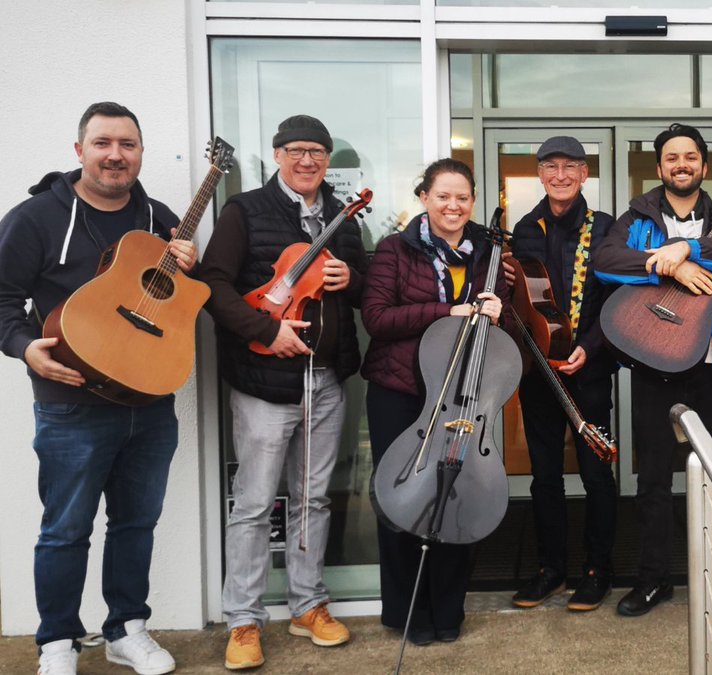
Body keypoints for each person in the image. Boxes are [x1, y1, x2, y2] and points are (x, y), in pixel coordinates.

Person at [0, 102, 194, 675]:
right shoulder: (36, 217)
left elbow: (179, 302)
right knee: (65, 529)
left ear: (140, 152)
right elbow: (2, 298)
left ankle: (126, 629)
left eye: (128, 144)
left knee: (137, 522)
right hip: (70, 405)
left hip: (151, 403)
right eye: (104, 143)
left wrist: (190, 267)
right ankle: (56, 642)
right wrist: (23, 346)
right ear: (79, 150)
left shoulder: (160, 219)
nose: (116, 155)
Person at [196, 115, 365, 670]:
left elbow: (364, 288)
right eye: (297, 150)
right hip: (265, 384)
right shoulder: (245, 210)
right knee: (252, 504)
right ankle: (243, 620)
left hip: (325, 380)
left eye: (318, 151)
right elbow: (213, 284)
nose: (308, 160)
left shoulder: (342, 219)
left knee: (314, 498)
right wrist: (267, 330)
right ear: (277, 155)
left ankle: (307, 604)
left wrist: (351, 281)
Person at [593, 123, 712, 617]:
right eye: (672, 157)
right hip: (656, 363)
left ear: (704, 167)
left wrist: (691, 249)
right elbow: (606, 260)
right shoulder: (639, 215)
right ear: (660, 167)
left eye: (690, 156)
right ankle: (653, 580)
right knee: (653, 482)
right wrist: (665, 264)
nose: (681, 164)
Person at [360, 158, 510, 644]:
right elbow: (378, 319)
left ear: (473, 201)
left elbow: (498, 327)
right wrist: (450, 311)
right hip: (402, 394)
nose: (453, 205)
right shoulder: (394, 250)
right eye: (443, 195)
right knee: (401, 497)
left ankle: (448, 612)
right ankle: (407, 614)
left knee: (457, 495)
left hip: (465, 398)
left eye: (463, 197)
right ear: (424, 197)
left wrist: (497, 308)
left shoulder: (487, 254)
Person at [504, 137, 620, 612]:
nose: (560, 174)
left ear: (584, 174)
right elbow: (519, 301)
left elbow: (617, 301)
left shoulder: (607, 228)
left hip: (589, 371)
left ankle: (598, 571)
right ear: (540, 174)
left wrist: (590, 350)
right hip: (539, 371)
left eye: (570, 166)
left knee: (597, 473)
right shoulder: (522, 229)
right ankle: (550, 569)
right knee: (545, 475)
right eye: (550, 166)